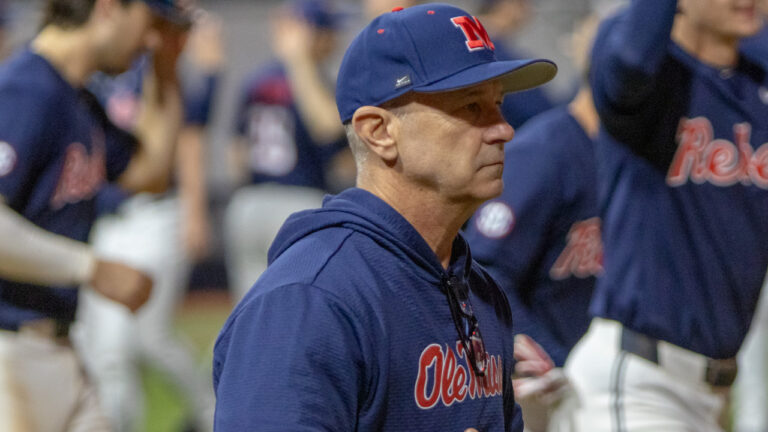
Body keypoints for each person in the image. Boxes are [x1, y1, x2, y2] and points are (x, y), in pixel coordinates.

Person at [213, 3, 557, 431]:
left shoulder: (478, 290)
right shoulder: (308, 300)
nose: (503, 128)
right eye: (470, 106)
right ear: (379, 132)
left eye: (499, 104)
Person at [547, 0, 767, 431]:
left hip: (712, 393)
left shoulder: (754, 81)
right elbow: (629, 57)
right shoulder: (648, 74)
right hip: (639, 381)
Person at [0, 0, 187, 430]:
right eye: (150, 22)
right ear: (107, 9)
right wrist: (91, 268)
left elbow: (151, 172)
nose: (152, 39)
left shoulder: (76, 98)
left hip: (56, 349)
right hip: (10, 351)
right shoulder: (25, 90)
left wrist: (166, 67)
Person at [74, 7, 222, 432]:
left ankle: (212, 408)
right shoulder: (93, 71)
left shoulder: (152, 67)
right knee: (105, 348)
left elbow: (186, 141)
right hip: (107, 220)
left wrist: (195, 210)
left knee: (147, 337)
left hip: (156, 214)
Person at [463, 13, 602, 432]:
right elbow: (483, 269)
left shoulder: (633, 158)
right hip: (547, 388)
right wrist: (545, 355)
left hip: (600, 379)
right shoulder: (545, 152)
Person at [224, 0, 351, 301]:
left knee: (251, 307)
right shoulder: (313, 80)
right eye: (329, 31)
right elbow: (329, 130)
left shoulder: (256, 80)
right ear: (314, 34)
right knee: (302, 306)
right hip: (298, 203)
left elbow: (236, 155)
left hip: (248, 204)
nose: (335, 39)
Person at [476, 0, 556, 128]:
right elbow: (535, 112)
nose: (529, 9)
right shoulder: (491, 49)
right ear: (507, 5)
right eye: (522, 3)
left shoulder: (487, 44)